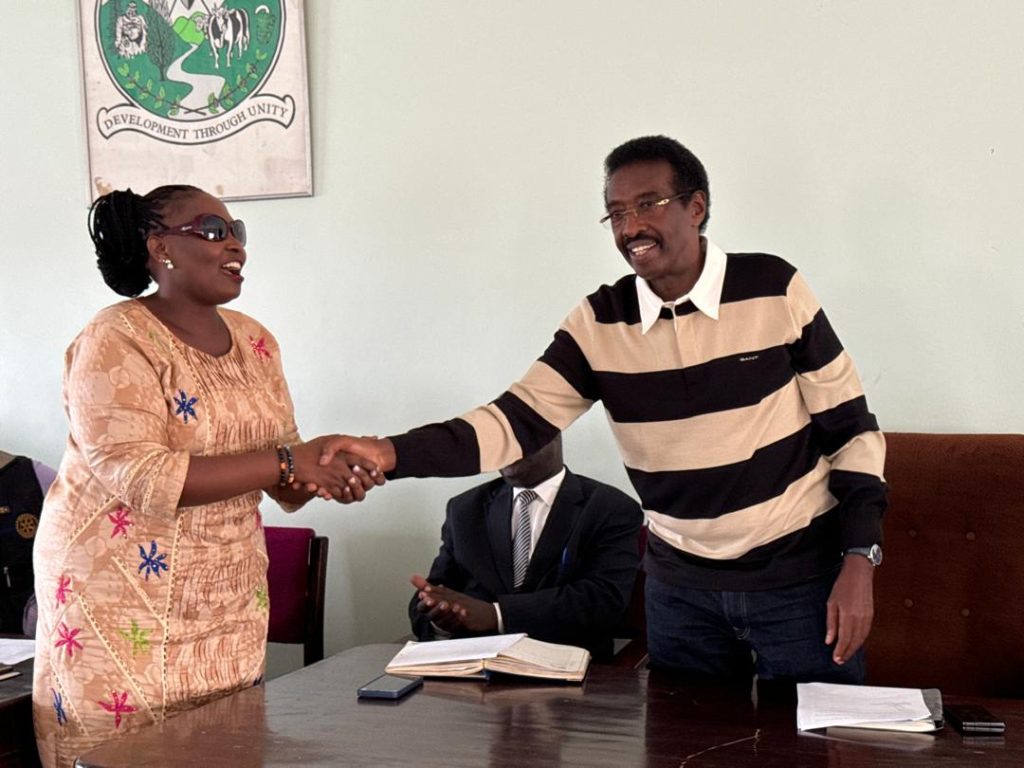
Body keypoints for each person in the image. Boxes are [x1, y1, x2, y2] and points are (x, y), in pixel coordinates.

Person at [324, 135, 887, 685]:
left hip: (798, 580)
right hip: (680, 589)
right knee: (687, 739)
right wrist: (387, 453)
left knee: (819, 738)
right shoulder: (599, 322)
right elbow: (512, 423)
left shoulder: (773, 287)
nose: (630, 227)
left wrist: (859, 559)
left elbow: (852, 431)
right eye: (616, 213)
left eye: (648, 204)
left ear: (696, 207)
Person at [32, 185, 382, 767]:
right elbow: (142, 477)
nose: (235, 246)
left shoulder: (256, 341)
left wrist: (327, 473)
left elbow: (282, 469)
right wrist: (292, 462)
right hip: (120, 603)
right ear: (159, 247)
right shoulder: (115, 338)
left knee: (224, 747)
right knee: (126, 757)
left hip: (226, 599)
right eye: (214, 231)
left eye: (237, 232)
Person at [409, 435, 643, 660]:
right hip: (472, 668)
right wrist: (440, 617)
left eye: (515, 436)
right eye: (498, 440)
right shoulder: (464, 508)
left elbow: (603, 601)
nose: (506, 449)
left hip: (568, 670)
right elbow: (436, 592)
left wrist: (497, 615)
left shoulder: (611, 508)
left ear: (553, 432)